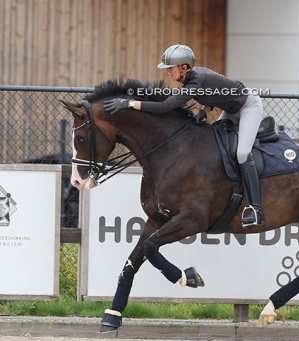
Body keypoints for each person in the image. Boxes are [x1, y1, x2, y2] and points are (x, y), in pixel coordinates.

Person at [103, 44, 265, 227]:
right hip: (231, 109)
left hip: (248, 107)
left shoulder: (196, 80)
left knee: (242, 153)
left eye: (170, 68)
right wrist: (205, 111)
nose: (168, 72)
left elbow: (165, 107)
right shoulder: (192, 79)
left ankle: (256, 208)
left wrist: (130, 104)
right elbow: (218, 93)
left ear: (184, 67)